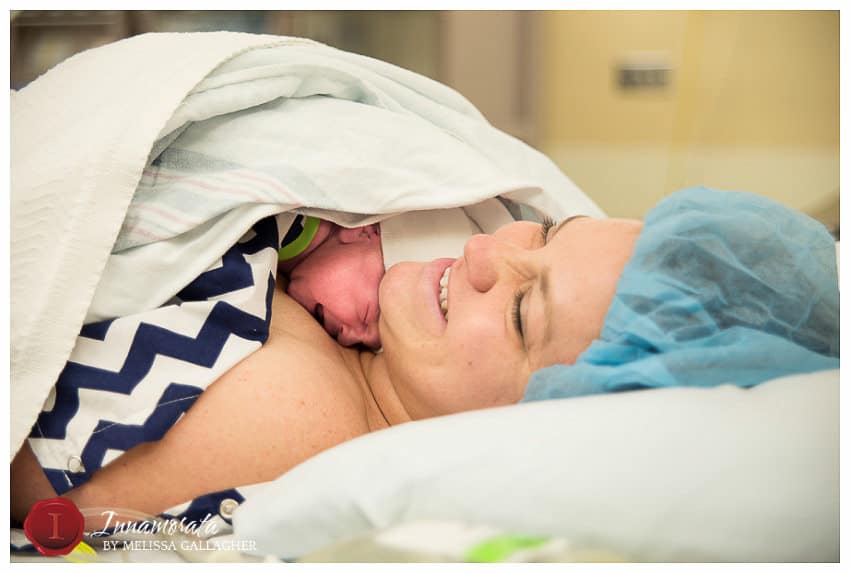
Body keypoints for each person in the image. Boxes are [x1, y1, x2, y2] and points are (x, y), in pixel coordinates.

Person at [10, 188, 839, 526]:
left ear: (543, 419)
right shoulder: (337, 345)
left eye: (521, 310)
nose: (484, 251)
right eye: (546, 233)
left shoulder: (301, 419)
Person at [277, 215, 384, 350]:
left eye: (361, 345)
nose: (345, 339)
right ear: (362, 232)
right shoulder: (292, 221)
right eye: (365, 315)